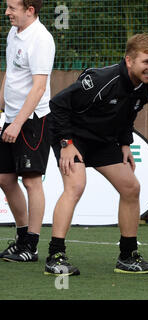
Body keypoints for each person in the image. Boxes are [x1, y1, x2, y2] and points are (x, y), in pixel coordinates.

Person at [44, 33, 148, 276]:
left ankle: (127, 256)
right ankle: (55, 256)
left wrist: (125, 144)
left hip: (102, 140)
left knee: (131, 188)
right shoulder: (102, 80)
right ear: (129, 61)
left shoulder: (146, 85)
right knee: (75, 186)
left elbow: (128, 116)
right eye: (146, 62)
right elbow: (58, 104)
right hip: (72, 136)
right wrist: (66, 142)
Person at [0, 0, 55, 262]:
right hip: (10, 118)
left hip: (32, 121)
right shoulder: (14, 33)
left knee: (31, 181)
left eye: (12, 7)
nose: (7, 11)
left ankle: (31, 246)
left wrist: (18, 123)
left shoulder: (41, 39)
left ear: (30, 10)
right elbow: (9, 75)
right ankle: (21, 238)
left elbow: (39, 88)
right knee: (4, 178)